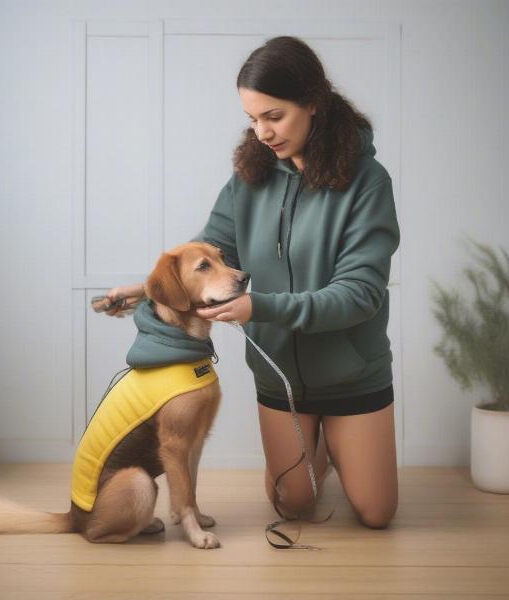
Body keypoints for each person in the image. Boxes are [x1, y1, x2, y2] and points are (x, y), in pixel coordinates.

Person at [103, 36, 400, 529]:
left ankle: (336, 443)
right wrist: (143, 289)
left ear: (314, 103)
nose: (262, 132)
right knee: (293, 505)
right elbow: (211, 251)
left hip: (353, 374)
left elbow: (360, 295)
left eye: (274, 116)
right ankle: (315, 457)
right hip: (280, 376)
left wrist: (258, 307)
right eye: (252, 119)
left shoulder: (368, 182)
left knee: (376, 513)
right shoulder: (250, 177)